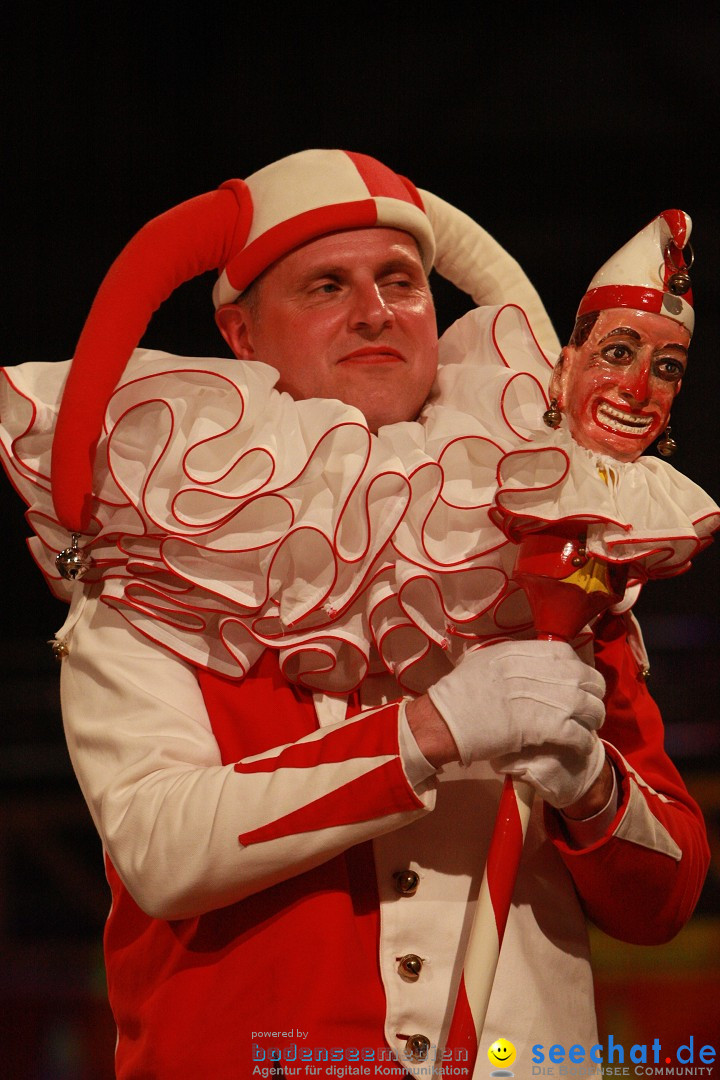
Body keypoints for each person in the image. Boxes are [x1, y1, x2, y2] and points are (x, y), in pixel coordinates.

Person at [0, 152, 712, 1080]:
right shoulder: (159, 560)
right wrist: (428, 733)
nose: (376, 310)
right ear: (240, 333)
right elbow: (162, 849)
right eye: (327, 285)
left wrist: (589, 784)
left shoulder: (556, 546)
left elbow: (662, 902)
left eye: (402, 282)